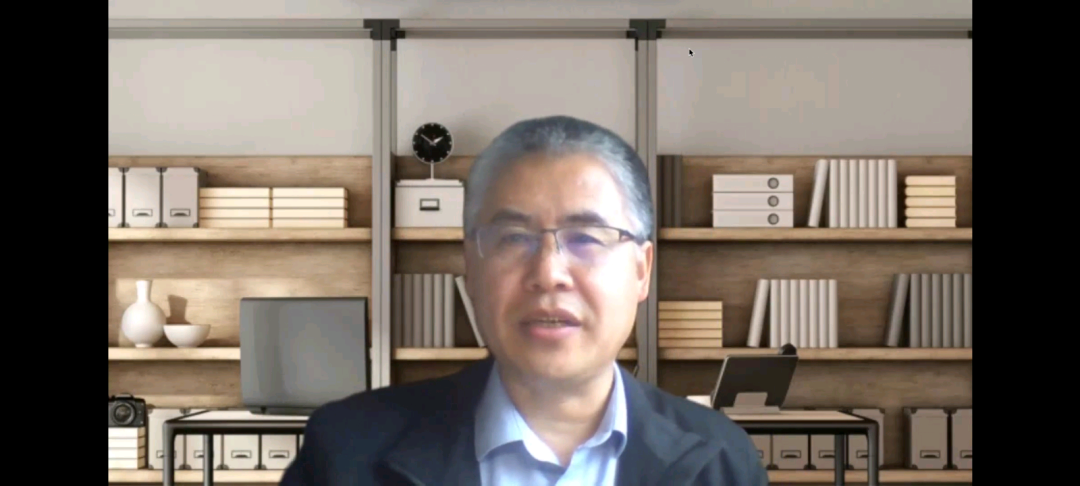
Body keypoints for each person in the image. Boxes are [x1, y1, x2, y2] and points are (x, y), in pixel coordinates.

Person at [280, 115, 769, 485]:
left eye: (586, 237)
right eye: (513, 238)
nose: (549, 273)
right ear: (471, 268)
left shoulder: (723, 461)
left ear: (641, 270)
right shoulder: (344, 454)